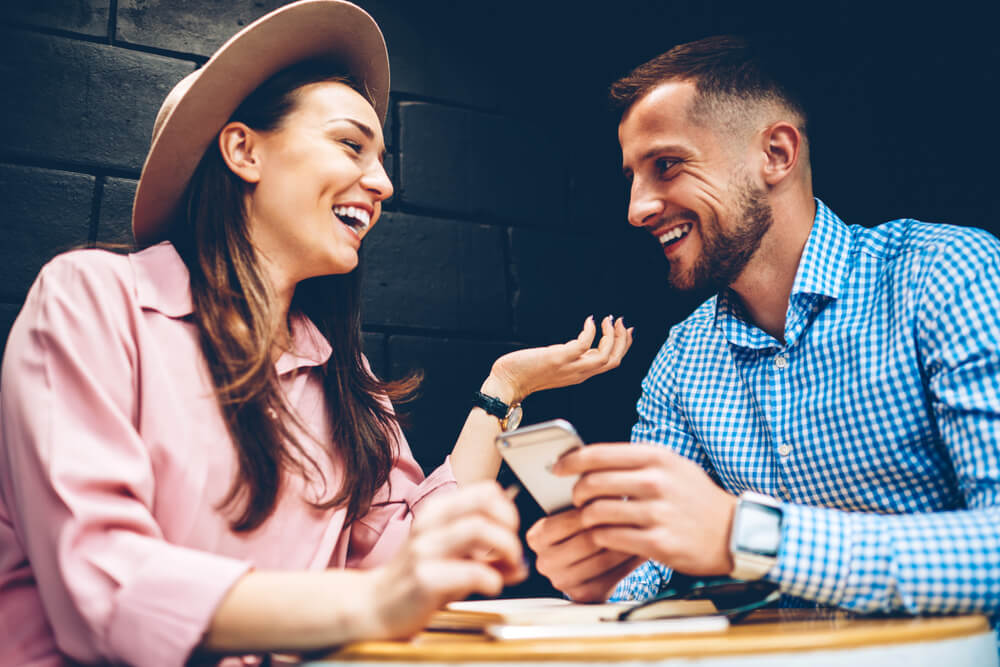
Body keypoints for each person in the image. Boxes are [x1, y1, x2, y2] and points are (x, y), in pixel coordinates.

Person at [0, 2, 633, 665]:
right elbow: (101, 582)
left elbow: (399, 558)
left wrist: (505, 387)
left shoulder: (343, 373)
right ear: (244, 150)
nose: (383, 183)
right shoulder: (91, 300)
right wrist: (372, 602)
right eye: (351, 144)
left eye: (382, 156)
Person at [526, 34, 1000, 637]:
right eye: (632, 177)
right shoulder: (683, 358)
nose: (637, 208)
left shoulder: (945, 275)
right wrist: (609, 567)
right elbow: (660, 559)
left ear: (776, 154)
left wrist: (747, 536)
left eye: (665, 165)